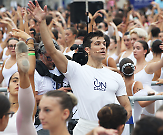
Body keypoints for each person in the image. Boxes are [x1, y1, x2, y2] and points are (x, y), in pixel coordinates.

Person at [28, 1, 132, 135]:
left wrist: (119, 124)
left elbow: (127, 106)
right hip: (84, 128)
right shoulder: (76, 70)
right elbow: (52, 50)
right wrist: (42, 22)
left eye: (104, 44)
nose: (102, 47)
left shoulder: (116, 76)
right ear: (87, 49)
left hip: (111, 129)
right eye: (98, 44)